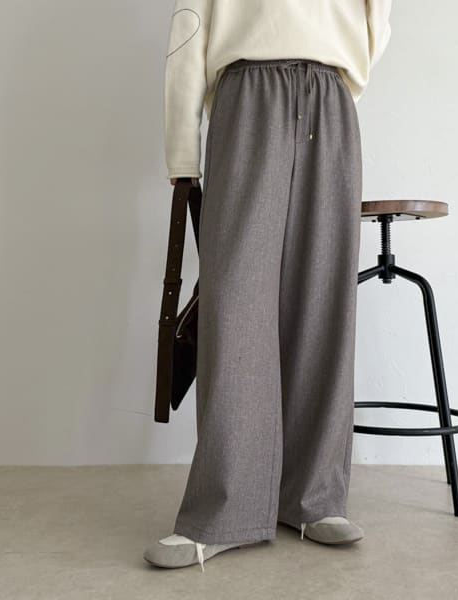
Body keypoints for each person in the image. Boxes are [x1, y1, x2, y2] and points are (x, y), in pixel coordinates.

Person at [144, 0, 392, 572]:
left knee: (324, 300)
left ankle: (313, 497)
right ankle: (224, 510)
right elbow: (189, 31)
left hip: (329, 98)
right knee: (236, 306)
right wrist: (182, 151)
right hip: (246, 97)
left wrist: (339, 81)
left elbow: (378, 18)